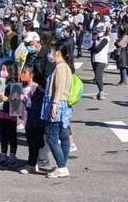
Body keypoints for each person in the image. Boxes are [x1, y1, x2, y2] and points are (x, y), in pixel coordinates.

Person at [44, 43, 74, 178]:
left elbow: (59, 88)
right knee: (63, 136)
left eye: (52, 51)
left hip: (58, 104)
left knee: (52, 137)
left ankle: (62, 167)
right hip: (64, 105)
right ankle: (62, 165)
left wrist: (54, 105)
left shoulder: (61, 68)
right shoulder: (65, 67)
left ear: (57, 52)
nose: (50, 54)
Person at [0, 61, 21, 169]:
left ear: (10, 71)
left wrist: (7, 99)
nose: (1, 72)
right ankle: (3, 156)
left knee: (11, 135)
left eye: (4, 70)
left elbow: (16, 103)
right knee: (3, 135)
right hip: (1, 112)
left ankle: (12, 157)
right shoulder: (1, 82)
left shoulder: (14, 84)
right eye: (1, 69)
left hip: (10, 114)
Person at [19, 65, 46, 174]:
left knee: (35, 142)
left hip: (36, 119)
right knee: (31, 142)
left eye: (25, 73)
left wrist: (24, 99)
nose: (22, 75)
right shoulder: (22, 87)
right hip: (27, 119)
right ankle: (34, 162)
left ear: (32, 75)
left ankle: (33, 163)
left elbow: (35, 104)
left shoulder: (36, 88)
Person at [90, 25, 110, 100]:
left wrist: (94, 46)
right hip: (95, 59)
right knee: (98, 76)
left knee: (98, 76)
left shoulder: (106, 39)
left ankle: (101, 92)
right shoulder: (98, 39)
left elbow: (98, 49)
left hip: (101, 60)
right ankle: (99, 93)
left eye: (100, 31)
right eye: (97, 31)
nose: (98, 33)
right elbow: (92, 48)